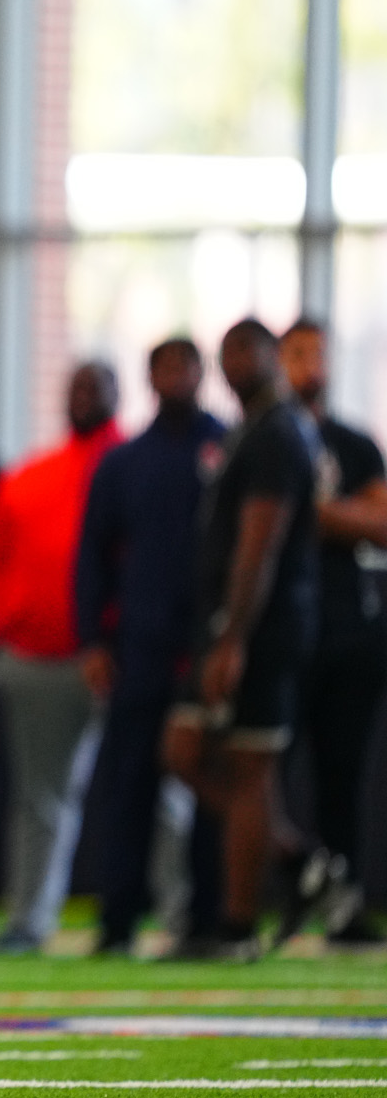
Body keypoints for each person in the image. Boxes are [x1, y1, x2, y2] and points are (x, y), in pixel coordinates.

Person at [161, 319, 320, 960]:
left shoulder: (277, 435)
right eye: (224, 353)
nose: (231, 364)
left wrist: (234, 636)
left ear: (271, 356)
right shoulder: (247, 432)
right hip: (232, 625)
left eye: (243, 351)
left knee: (250, 768)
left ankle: (237, 925)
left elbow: (261, 541)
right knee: (184, 751)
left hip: (260, 628)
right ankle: (296, 860)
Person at [77, 338, 230, 956]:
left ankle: (206, 916)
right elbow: (92, 556)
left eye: (185, 367)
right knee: (129, 783)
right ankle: (118, 919)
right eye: (165, 367)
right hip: (141, 644)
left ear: (201, 375)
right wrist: (92, 638)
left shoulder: (227, 448)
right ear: (150, 377)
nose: (176, 378)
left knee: (208, 781)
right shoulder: (124, 462)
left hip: (206, 644)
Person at [0, 362, 122, 953]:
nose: (84, 397)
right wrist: (5, 627)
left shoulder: (131, 468)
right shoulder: (29, 475)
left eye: (96, 388)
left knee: (151, 795)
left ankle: (166, 913)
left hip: (119, 658)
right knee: (39, 797)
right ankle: (30, 918)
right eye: (76, 387)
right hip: (37, 657)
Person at [280, 319, 387, 945]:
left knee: (341, 775)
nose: (309, 365)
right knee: (260, 770)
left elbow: (379, 523)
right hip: (285, 633)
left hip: (350, 632)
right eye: (297, 353)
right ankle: (285, 885)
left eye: (318, 352)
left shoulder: (353, 444)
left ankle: (343, 904)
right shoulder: (264, 441)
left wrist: (311, 514)